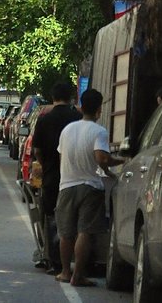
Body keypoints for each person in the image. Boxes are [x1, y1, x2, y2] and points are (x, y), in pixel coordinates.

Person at [54, 88, 123, 287]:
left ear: (81, 107)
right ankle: (78, 276)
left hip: (66, 185)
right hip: (91, 186)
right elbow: (101, 157)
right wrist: (115, 163)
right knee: (85, 231)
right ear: (99, 110)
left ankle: (66, 272)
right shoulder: (99, 131)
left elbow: (61, 157)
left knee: (66, 232)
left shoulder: (67, 130)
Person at [29, 82, 81, 274]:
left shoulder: (45, 119)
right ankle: (77, 262)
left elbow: (38, 150)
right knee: (74, 220)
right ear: (71, 98)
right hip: (75, 176)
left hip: (52, 176)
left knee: (51, 218)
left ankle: (54, 262)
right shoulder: (78, 118)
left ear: (53, 98)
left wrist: (45, 165)